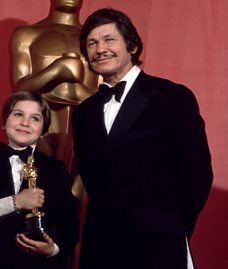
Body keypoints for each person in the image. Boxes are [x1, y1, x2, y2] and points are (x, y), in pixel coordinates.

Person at [72, 8, 213, 269]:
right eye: (92, 43)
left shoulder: (172, 97)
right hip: (100, 248)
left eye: (109, 39)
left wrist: (173, 227)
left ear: (133, 46)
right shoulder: (83, 113)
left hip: (157, 246)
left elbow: (198, 173)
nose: (100, 48)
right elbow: (93, 182)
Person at [0, 91, 80, 269]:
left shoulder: (55, 170)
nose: (25, 123)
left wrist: (52, 248)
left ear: (44, 129)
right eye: (18, 114)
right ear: (4, 121)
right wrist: (15, 202)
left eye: (35, 118)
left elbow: (70, 227)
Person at [10, 0, 100, 161]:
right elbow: (19, 89)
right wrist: (57, 70)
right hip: (41, 126)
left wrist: (77, 89)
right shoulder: (27, 35)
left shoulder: (95, 41)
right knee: (38, 179)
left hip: (86, 131)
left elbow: (105, 97)